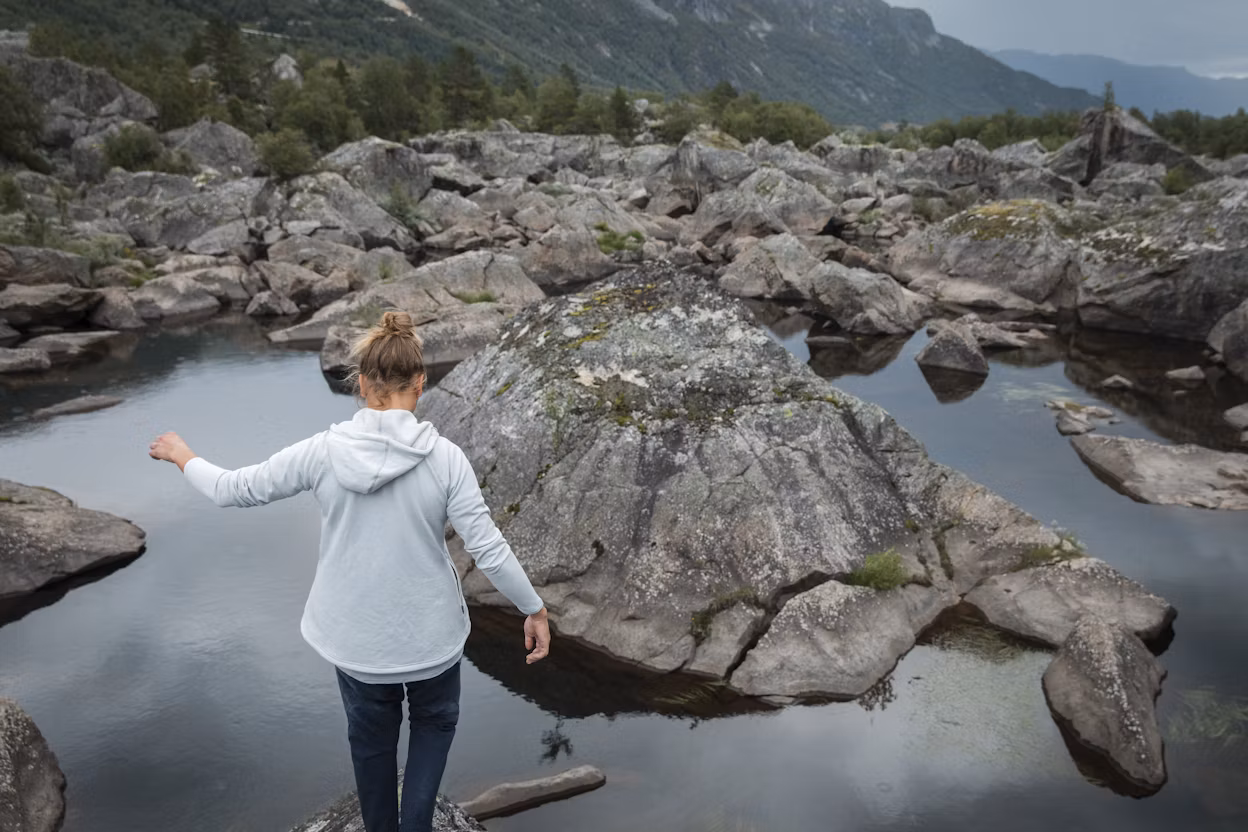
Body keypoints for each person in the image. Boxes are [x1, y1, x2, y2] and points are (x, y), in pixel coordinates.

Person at [148, 310, 550, 832]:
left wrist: (184, 455)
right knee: (434, 724)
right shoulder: (445, 458)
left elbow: (233, 490)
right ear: (421, 382)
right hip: (432, 639)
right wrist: (533, 608)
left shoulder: (323, 452)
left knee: (371, 743)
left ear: (361, 384)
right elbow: (489, 549)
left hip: (356, 644)